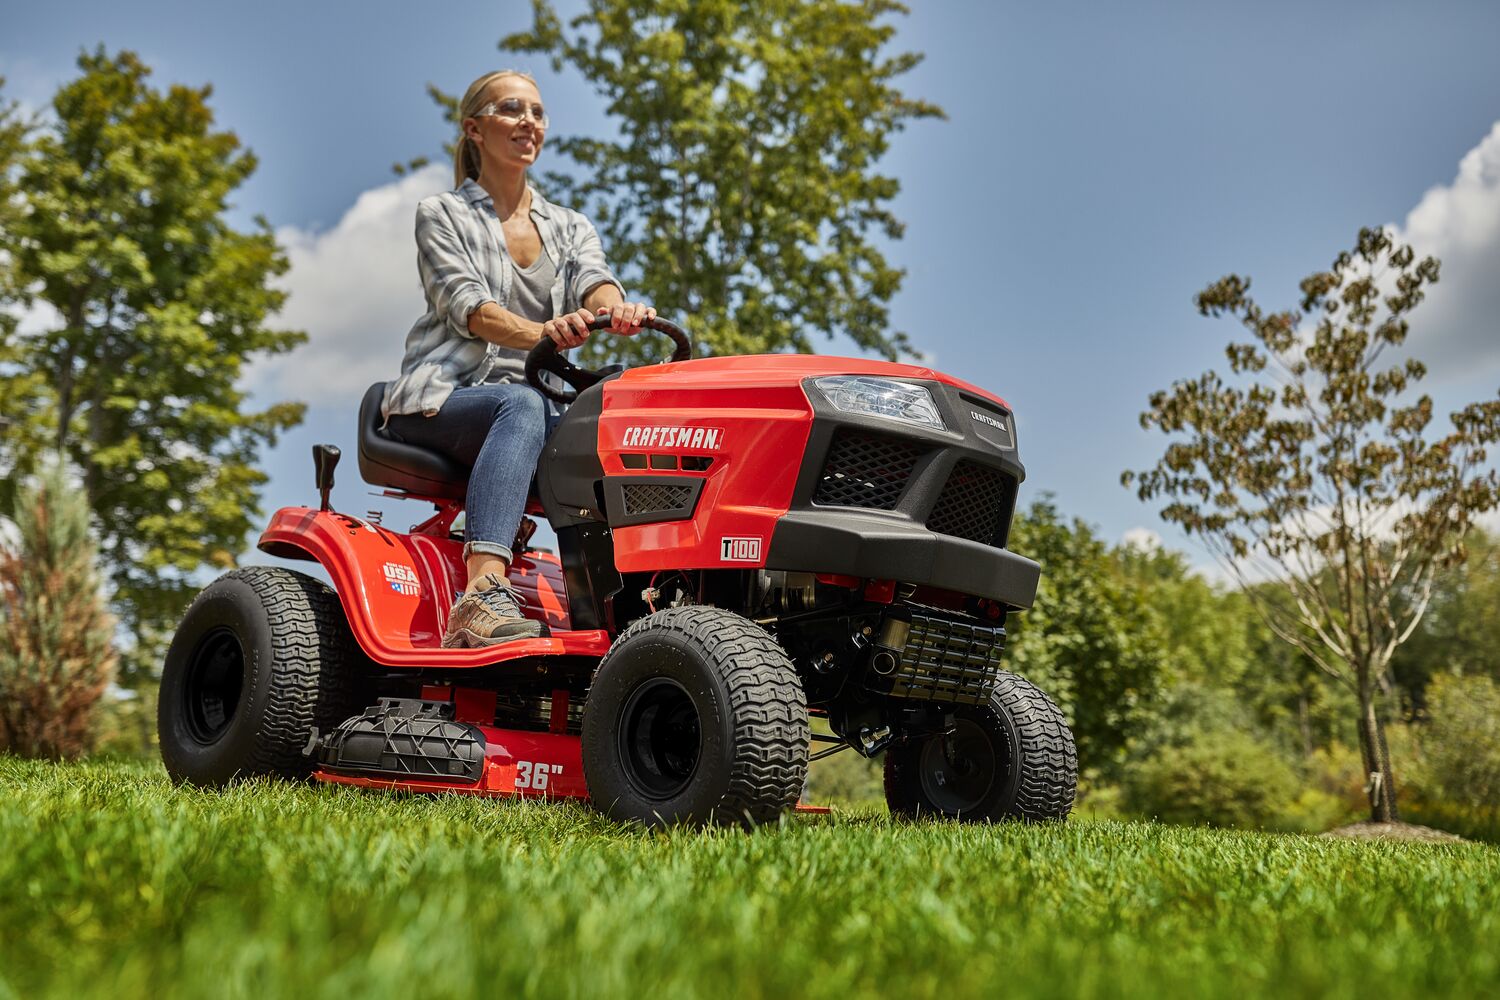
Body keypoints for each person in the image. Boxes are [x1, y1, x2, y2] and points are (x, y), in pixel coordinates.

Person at [380, 69, 654, 648]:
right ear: (474, 128)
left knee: (629, 410)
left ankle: (635, 603)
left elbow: (596, 283)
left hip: (537, 405)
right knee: (522, 403)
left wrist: (618, 311)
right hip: (444, 398)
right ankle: (480, 596)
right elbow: (470, 309)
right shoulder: (442, 214)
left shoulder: (569, 225)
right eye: (512, 109)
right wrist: (544, 333)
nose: (529, 122)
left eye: (537, 112)